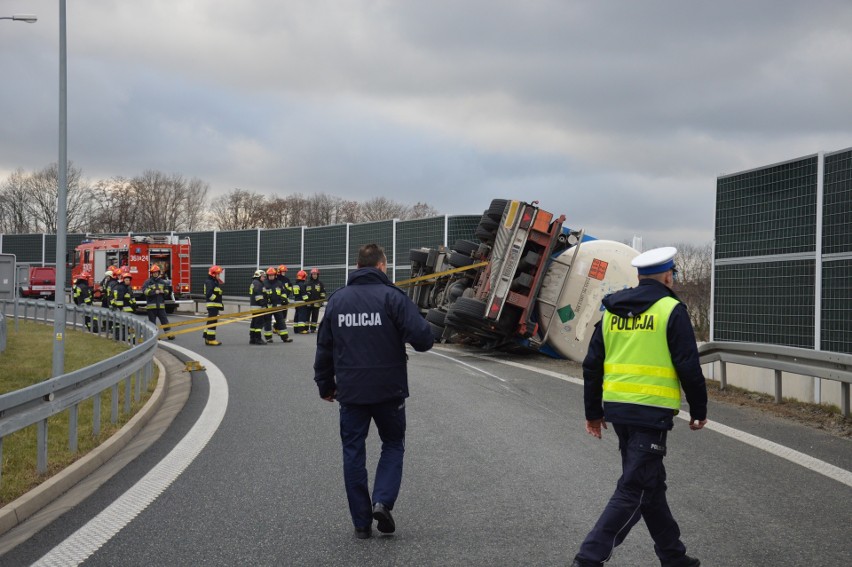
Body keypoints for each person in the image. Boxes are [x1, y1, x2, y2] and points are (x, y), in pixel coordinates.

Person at [570, 247, 708, 567]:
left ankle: (674, 557)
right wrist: (699, 410)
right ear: (669, 276)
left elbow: (592, 366)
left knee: (650, 484)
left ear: (638, 277)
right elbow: (688, 364)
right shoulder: (671, 310)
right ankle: (588, 560)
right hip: (651, 413)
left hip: (619, 412)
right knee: (634, 489)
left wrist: (593, 413)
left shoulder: (610, 312)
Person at [313, 243, 434, 540]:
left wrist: (325, 385)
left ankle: (361, 522)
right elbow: (424, 340)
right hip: (389, 390)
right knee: (392, 444)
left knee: (353, 451)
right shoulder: (393, 298)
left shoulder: (337, 301)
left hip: (351, 393)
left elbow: (324, 348)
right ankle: (382, 501)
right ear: (381, 266)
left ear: (357, 267)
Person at [142, 265, 175, 340]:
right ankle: (154, 336)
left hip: (160, 306)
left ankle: (169, 334)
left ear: (159, 273)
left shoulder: (162, 282)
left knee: (165, 321)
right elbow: (144, 291)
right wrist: (154, 292)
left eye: (156, 272)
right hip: (151, 306)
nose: (155, 274)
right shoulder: (148, 282)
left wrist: (163, 292)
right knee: (152, 323)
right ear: (151, 273)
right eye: (154, 273)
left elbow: (167, 290)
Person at [268, 265, 293, 343]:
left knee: (282, 318)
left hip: (284, 301)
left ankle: (282, 334)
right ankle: (272, 333)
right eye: (283, 271)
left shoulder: (286, 280)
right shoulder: (276, 280)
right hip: (273, 303)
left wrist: (284, 298)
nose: (284, 273)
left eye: (285, 272)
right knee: (272, 319)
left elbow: (288, 289)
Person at [112, 270, 137, 342]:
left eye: (129, 280)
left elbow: (132, 297)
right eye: (126, 280)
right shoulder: (121, 288)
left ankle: (130, 337)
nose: (128, 281)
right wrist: (120, 308)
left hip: (129, 309)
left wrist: (134, 305)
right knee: (126, 324)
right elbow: (119, 299)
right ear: (123, 280)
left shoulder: (128, 287)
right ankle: (128, 337)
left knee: (129, 324)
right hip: (124, 310)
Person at [203, 265, 224, 346]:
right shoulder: (210, 282)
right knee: (213, 322)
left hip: (214, 305)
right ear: (213, 274)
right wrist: (217, 299)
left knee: (211, 321)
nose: (219, 275)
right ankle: (211, 339)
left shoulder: (213, 281)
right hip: (212, 305)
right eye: (218, 274)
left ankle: (207, 337)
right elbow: (209, 294)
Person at [249, 269, 268, 345]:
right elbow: (259, 296)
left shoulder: (255, 283)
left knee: (254, 323)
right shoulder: (257, 283)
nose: (264, 278)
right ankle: (258, 339)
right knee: (258, 324)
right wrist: (263, 304)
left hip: (254, 306)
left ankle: (252, 338)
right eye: (263, 276)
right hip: (258, 307)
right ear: (258, 276)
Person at [305, 268, 327, 333]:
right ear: (311, 275)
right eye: (313, 274)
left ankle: (313, 329)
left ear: (318, 275)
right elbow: (305, 293)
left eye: (316, 274)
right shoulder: (307, 283)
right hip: (308, 303)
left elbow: (322, 293)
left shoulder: (320, 284)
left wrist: (322, 301)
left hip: (317, 303)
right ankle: (306, 328)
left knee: (315, 316)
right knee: (307, 316)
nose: (314, 276)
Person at [262, 267, 279, 343]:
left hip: (277, 305)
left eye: (272, 275)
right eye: (269, 275)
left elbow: (283, 292)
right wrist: (266, 301)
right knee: (267, 322)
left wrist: (283, 299)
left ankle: (285, 337)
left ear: (275, 275)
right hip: (268, 306)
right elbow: (262, 294)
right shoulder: (264, 283)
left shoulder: (279, 283)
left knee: (280, 321)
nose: (271, 276)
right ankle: (268, 337)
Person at [292, 270, 310, 334]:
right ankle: (301, 329)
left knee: (297, 315)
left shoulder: (295, 284)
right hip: (302, 302)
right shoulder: (302, 285)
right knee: (302, 315)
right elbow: (304, 294)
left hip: (296, 301)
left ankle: (296, 329)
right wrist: (307, 300)